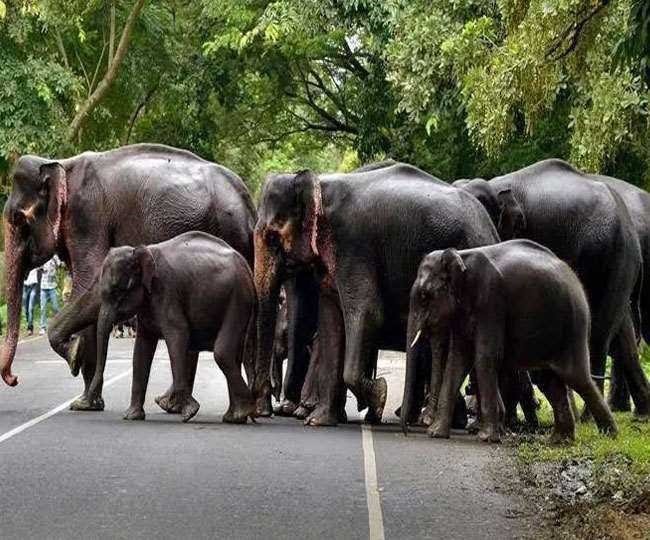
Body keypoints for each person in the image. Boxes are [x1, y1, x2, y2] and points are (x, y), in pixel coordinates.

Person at [39, 255, 61, 335]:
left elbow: (59, 265)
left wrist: (55, 260)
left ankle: (60, 323)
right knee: (43, 308)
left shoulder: (55, 257)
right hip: (43, 286)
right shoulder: (44, 257)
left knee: (55, 307)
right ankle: (42, 327)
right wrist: (41, 268)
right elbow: (39, 267)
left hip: (52, 286)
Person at [22, 268, 39, 336]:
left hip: (33, 287)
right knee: (26, 310)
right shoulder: (24, 264)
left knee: (30, 308)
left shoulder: (35, 263)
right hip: (25, 287)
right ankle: (29, 323)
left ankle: (30, 328)